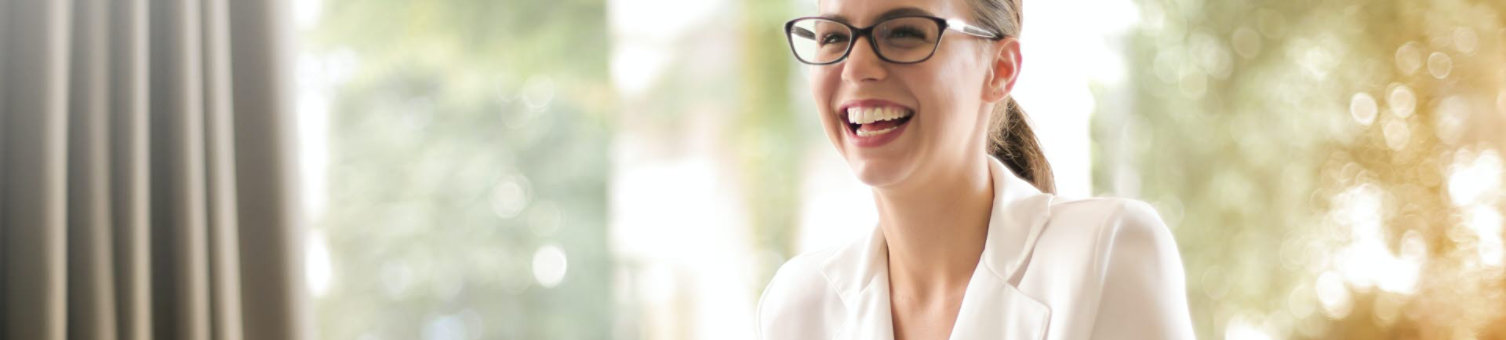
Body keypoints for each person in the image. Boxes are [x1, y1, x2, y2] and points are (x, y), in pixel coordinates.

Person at [756, 0, 1197, 338]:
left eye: (904, 32)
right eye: (834, 37)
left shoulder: (1107, 252)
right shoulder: (799, 305)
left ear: (1000, 69)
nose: (856, 68)